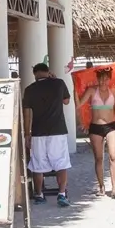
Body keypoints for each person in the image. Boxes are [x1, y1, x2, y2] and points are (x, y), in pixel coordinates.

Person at [22, 62, 74, 206]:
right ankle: (61, 194)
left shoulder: (30, 89)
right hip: (58, 130)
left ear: (35, 74)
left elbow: (27, 114)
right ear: (48, 71)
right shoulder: (59, 83)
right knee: (61, 163)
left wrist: (27, 134)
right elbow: (66, 101)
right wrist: (55, 79)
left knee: (38, 164)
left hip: (38, 132)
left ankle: (39, 194)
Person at [83, 65, 115, 197]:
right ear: (97, 79)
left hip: (111, 126)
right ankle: (101, 187)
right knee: (99, 158)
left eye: (106, 79)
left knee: (114, 156)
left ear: (110, 79)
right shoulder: (91, 90)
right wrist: (74, 90)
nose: (103, 82)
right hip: (96, 127)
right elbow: (79, 105)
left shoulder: (114, 91)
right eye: (100, 79)